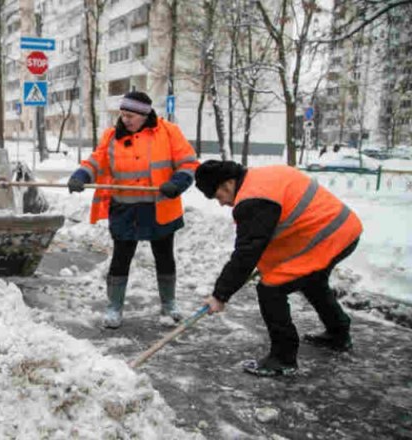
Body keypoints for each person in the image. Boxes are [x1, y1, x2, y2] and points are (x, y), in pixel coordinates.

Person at [195, 160, 362, 377]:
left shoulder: (253, 200)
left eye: (218, 197)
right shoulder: (261, 178)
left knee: (270, 289)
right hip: (342, 229)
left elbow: (247, 253)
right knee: (313, 281)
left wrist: (220, 295)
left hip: (328, 236)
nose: (221, 204)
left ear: (227, 184)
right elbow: (267, 239)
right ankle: (338, 334)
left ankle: (283, 359)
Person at [68, 91, 199, 328]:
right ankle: (114, 307)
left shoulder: (168, 132)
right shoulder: (112, 136)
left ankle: (169, 304)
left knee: (164, 256)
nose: (125, 120)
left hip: (159, 208)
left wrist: (177, 183)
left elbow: (188, 162)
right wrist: (81, 175)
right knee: (121, 258)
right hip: (125, 210)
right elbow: (96, 161)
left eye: (130, 115)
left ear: (144, 115)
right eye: (123, 115)